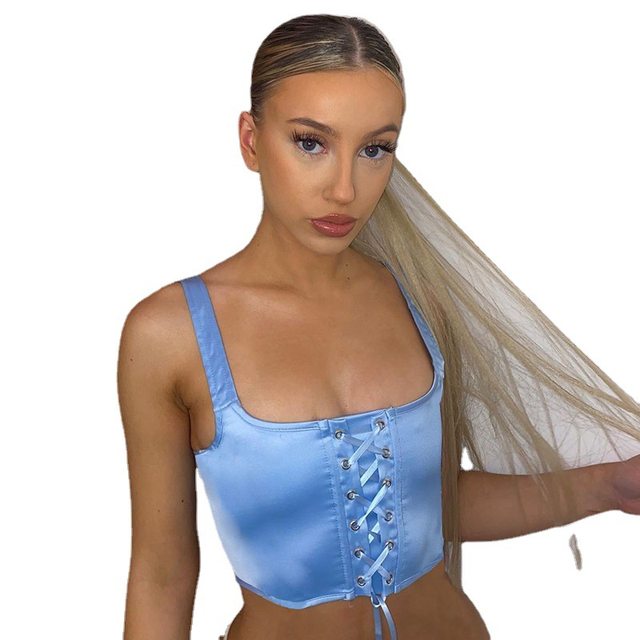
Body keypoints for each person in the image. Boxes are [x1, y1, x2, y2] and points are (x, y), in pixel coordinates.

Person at [117, 14, 640, 640]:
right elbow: (163, 572)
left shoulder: (421, 301)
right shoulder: (170, 335)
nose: (345, 189)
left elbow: (436, 507)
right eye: (311, 142)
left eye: (375, 149)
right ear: (251, 141)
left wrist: (610, 486)